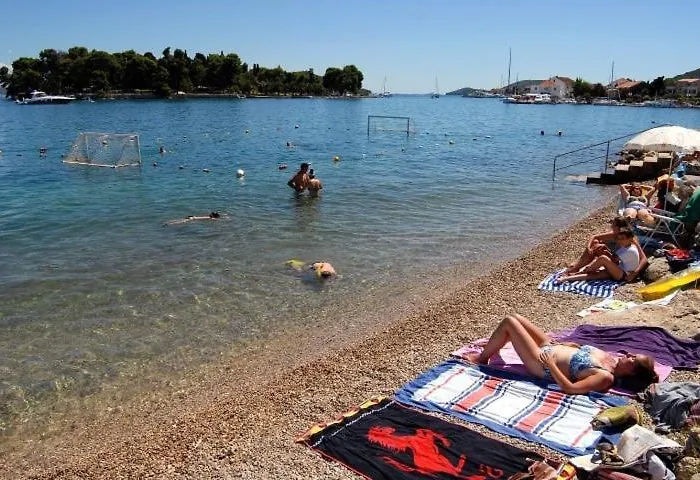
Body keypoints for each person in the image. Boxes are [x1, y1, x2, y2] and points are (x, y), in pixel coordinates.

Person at [466, 313, 658, 394]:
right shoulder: (611, 360)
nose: (629, 354)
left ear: (631, 372)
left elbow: (571, 389)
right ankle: (496, 346)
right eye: (633, 354)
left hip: (541, 363)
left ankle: (482, 359)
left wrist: (551, 365)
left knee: (509, 322)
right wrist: (574, 347)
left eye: (633, 359)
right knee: (516, 316)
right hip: (551, 347)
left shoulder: (605, 377)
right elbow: (581, 357)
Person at [565, 216, 647, 282]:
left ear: (619, 228)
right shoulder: (615, 235)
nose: (611, 227)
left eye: (613, 225)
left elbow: (644, 259)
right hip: (617, 259)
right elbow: (594, 237)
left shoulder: (630, 239)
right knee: (596, 244)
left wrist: (635, 273)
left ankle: (579, 268)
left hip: (620, 264)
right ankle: (578, 267)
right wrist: (588, 247)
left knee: (598, 249)